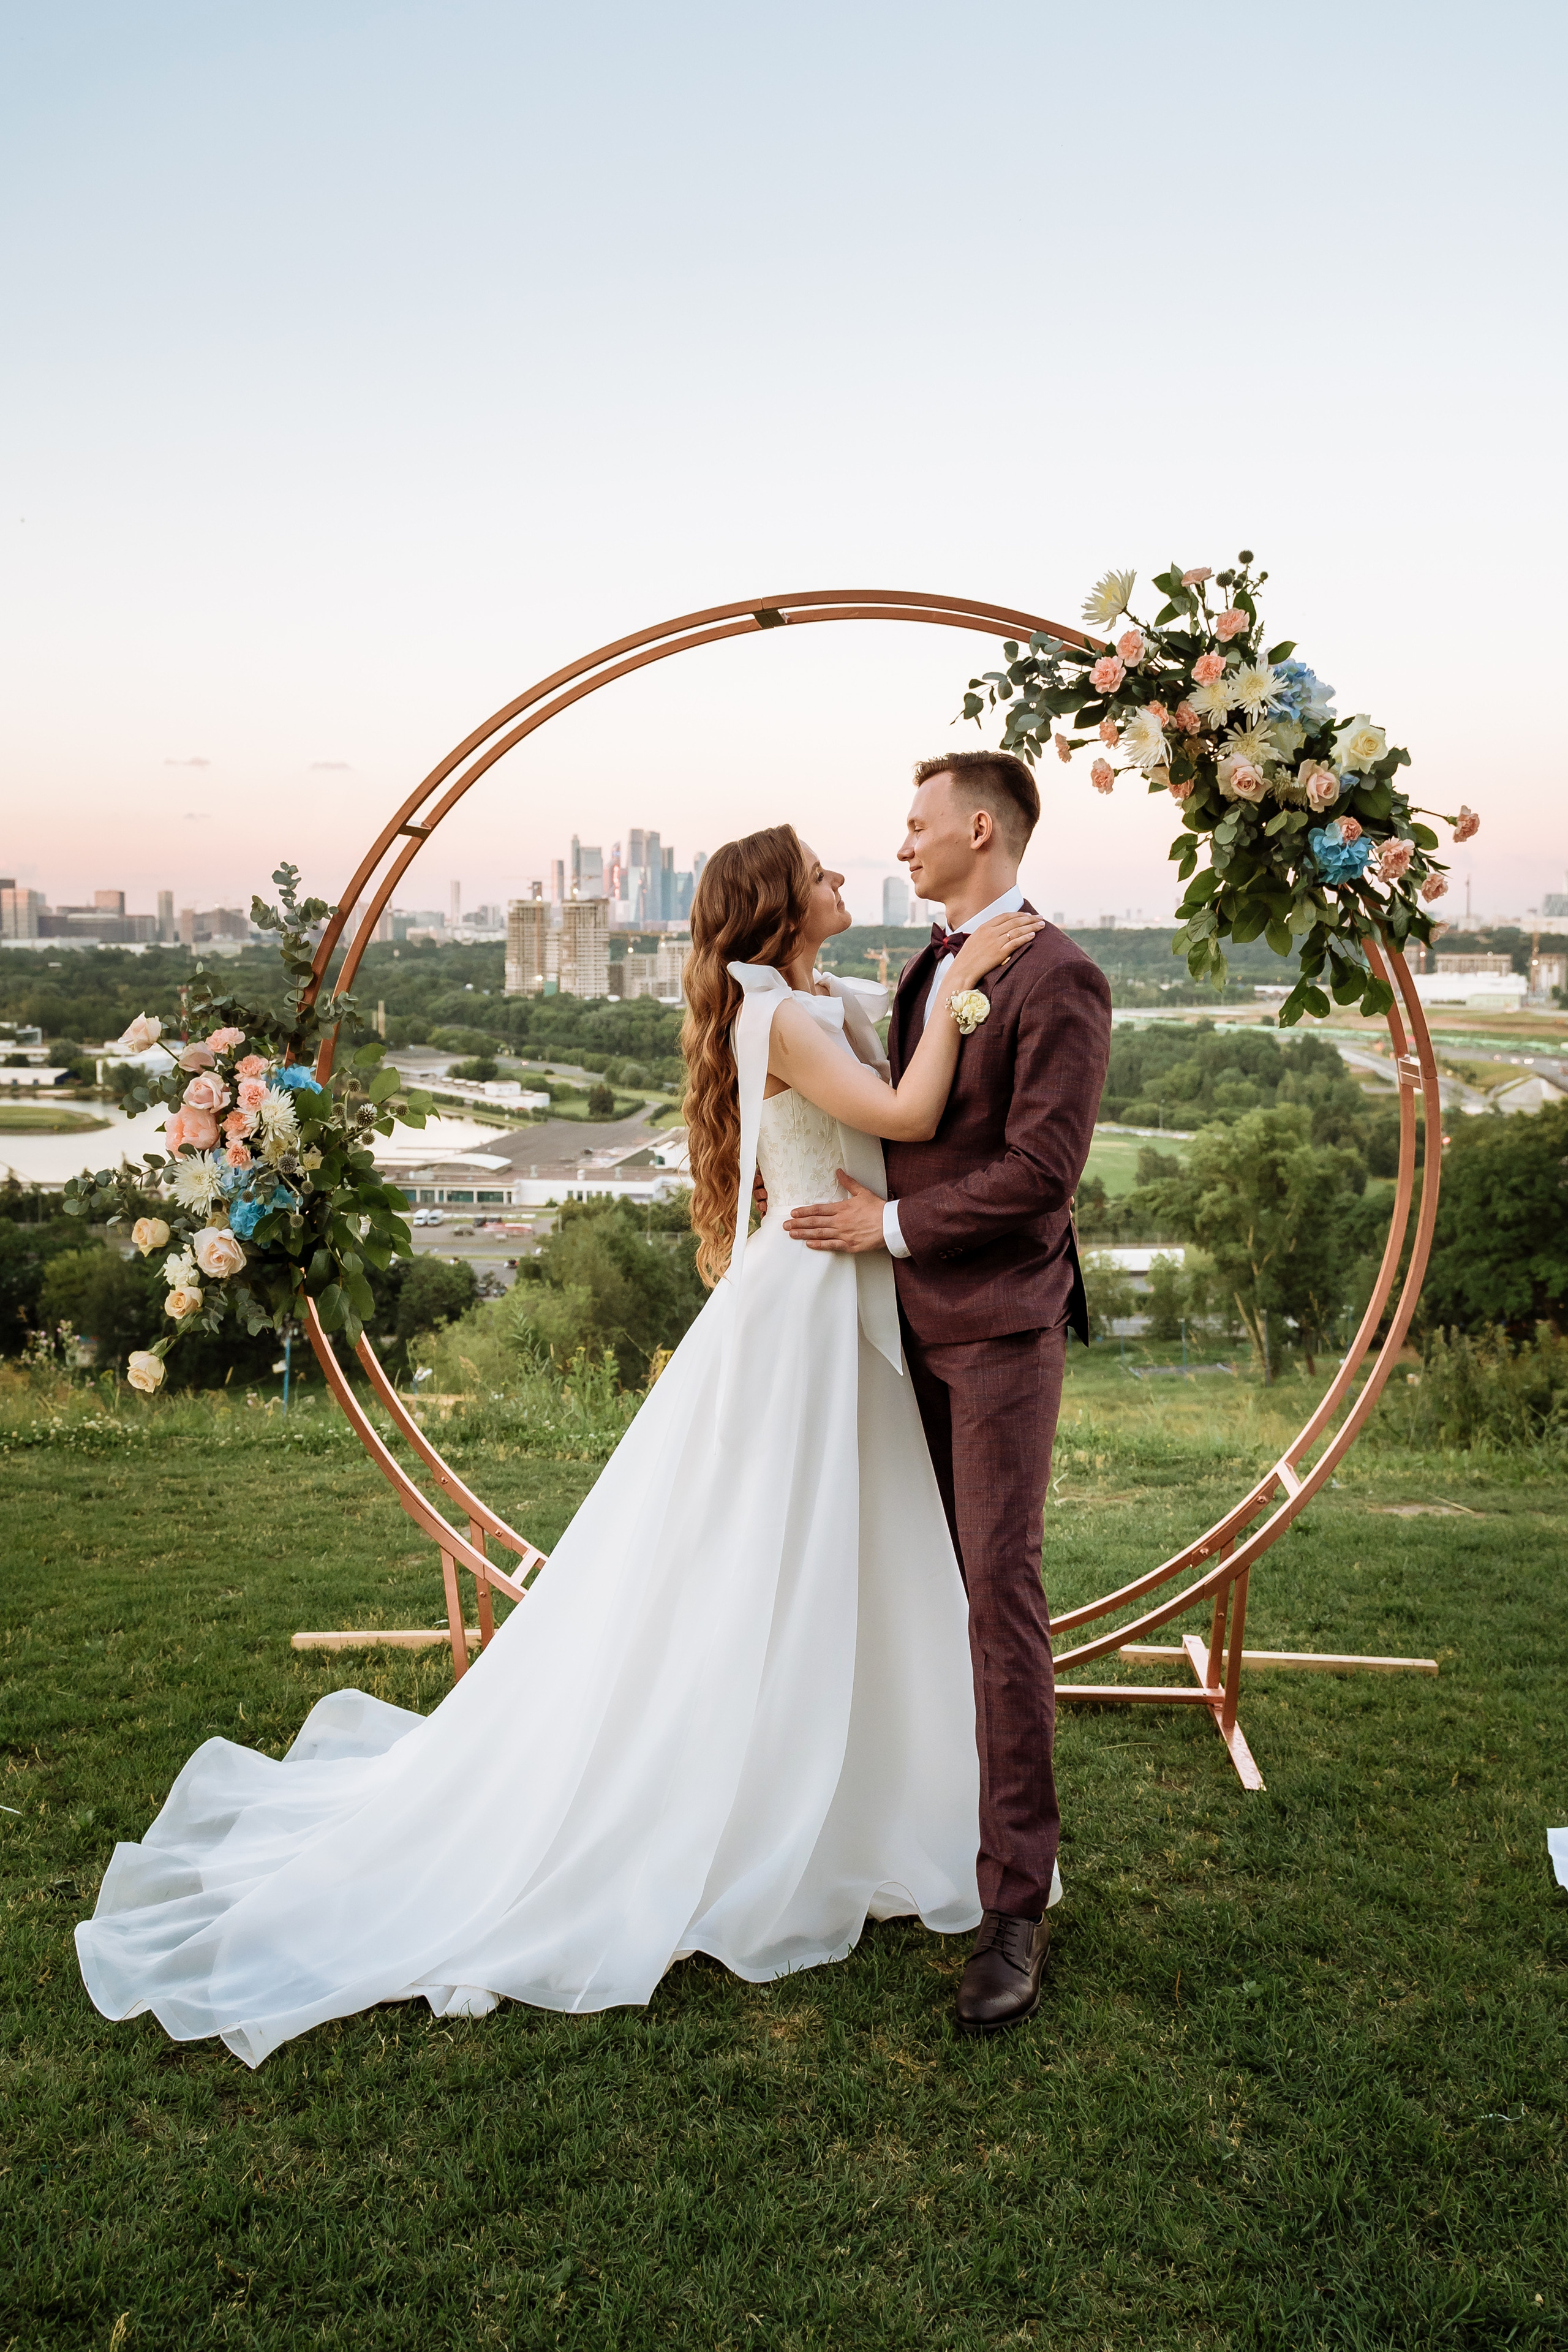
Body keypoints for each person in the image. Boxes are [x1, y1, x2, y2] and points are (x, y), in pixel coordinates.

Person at [75, 825, 1042, 2067]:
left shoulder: (803, 997)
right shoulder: (785, 1022)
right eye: (820, 871)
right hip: (805, 1308)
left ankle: (840, 1786)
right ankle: (744, 1795)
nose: (845, 876)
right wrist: (971, 989)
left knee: (831, 1554)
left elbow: (892, 1040)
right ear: (779, 905)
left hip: (834, 1297)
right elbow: (911, 1102)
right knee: (766, 1559)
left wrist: (944, 975)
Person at [785, 752, 1111, 2032]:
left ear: (980, 830)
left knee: (996, 1603)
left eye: (918, 825)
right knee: (896, 1587)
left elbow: (1040, 1170)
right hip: (884, 1335)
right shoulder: (931, 968)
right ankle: (889, 1829)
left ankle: (1014, 1905)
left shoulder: (1060, 977)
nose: (902, 843)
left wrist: (894, 1232)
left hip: (990, 1336)